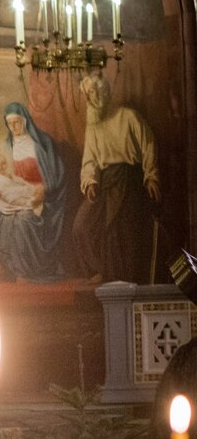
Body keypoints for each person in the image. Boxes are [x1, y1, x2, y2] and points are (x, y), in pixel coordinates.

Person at [71, 72, 160, 283]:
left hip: (129, 181)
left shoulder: (128, 116)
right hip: (104, 183)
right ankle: (99, 271)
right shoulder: (92, 126)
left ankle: (121, 281)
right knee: (81, 225)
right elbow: (89, 159)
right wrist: (90, 181)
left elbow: (148, 144)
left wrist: (151, 176)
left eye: (92, 91)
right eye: (86, 94)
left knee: (120, 233)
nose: (90, 98)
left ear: (102, 92)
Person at [0, 102, 65, 283]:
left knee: (21, 218)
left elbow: (57, 173)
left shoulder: (41, 143)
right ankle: (1, 263)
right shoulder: (8, 144)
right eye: (9, 123)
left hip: (39, 194)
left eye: (17, 122)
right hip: (17, 191)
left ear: (25, 121)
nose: (13, 127)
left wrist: (45, 188)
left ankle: (22, 271)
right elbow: (0, 169)